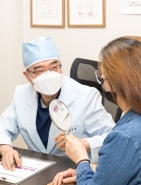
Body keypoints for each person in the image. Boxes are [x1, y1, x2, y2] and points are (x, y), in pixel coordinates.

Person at [0, 36, 114, 171]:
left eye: (54, 67)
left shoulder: (86, 95)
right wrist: (6, 150)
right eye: (39, 70)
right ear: (27, 76)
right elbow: (0, 129)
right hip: (36, 171)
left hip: (73, 171)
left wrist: (84, 144)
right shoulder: (21, 94)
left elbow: (113, 138)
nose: (49, 75)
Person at [52, 36, 141, 185]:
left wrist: (81, 160)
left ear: (114, 82)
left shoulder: (124, 136)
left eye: (103, 78)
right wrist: (86, 174)